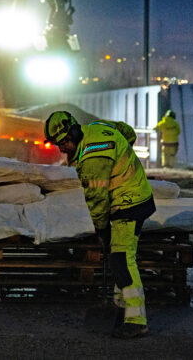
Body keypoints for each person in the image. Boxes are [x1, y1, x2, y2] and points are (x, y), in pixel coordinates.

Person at [45, 111, 156, 339]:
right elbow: (127, 132)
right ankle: (121, 308)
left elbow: (97, 201)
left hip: (129, 202)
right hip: (134, 195)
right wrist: (122, 159)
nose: (61, 149)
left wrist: (102, 230)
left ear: (72, 135)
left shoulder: (91, 160)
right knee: (119, 257)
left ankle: (136, 321)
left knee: (123, 259)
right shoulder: (96, 127)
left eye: (62, 143)